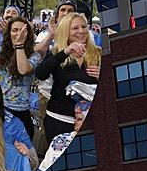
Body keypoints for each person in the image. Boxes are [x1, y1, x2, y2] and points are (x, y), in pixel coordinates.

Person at [35, 12, 101, 142]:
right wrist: (65, 52)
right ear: (66, 31)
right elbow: (40, 74)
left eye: (84, 27)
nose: (81, 31)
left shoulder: (98, 53)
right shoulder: (56, 53)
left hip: (87, 121)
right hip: (58, 119)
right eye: (75, 28)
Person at [0, 16, 41, 141]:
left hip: (20, 113)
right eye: (15, 30)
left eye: (23, 30)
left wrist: (19, 45)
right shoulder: (4, 52)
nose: (18, 33)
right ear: (9, 32)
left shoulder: (34, 55)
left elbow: (23, 69)